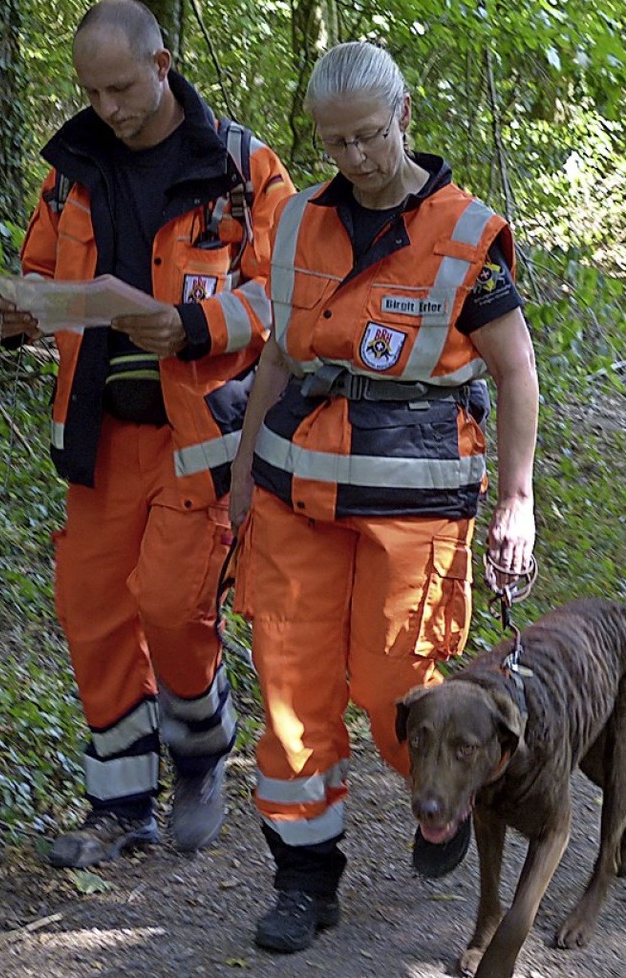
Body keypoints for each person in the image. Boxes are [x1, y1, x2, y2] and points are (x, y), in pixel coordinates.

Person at [228, 41, 538, 953]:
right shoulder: (294, 225)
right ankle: (305, 877)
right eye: (335, 143)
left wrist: (517, 497)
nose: (355, 157)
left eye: (368, 135)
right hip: (293, 492)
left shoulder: (462, 235)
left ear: (403, 116)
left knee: (399, 687)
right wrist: (244, 473)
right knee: (292, 694)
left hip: (415, 503)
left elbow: (516, 374)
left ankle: (440, 802)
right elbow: (279, 354)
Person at [0, 0, 293, 869]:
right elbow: (44, 274)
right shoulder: (71, 166)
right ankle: (120, 805)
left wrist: (197, 328)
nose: (107, 106)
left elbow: (289, 297)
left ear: (161, 66)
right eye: (91, 89)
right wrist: (18, 313)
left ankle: (200, 746)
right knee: (91, 612)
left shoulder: (239, 164)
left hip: (197, 434)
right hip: (98, 434)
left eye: (120, 86)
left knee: (170, 602)